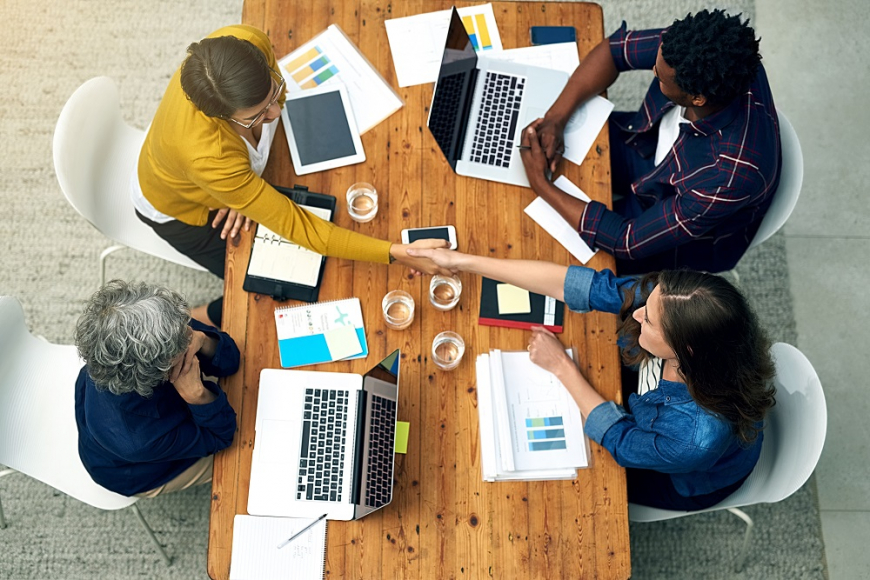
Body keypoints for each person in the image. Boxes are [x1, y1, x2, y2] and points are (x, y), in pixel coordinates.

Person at [407, 246, 776, 510]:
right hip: (662, 408)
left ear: (686, 350)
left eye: (648, 321)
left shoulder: (693, 437)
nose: (636, 313)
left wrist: (561, 367)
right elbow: (581, 286)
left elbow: (620, 438)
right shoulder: (680, 304)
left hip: (681, 476)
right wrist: (461, 261)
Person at [132, 24, 447, 327]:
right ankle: (200, 317)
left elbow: (273, 104)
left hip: (204, 169)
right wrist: (397, 254)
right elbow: (298, 226)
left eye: (273, 95)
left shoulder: (246, 41)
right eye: (257, 115)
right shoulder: (209, 158)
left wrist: (241, 194)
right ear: (222, 116)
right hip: (180, 209)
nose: (275, 114)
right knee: (264, 287)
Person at [521, 9, 781, 274]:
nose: (653, 70)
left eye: (659, 77)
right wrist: (555, 119)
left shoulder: (727, 176)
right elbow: (616, 50)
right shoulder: (712, 48)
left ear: (697, 98)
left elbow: (627, 240)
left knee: (542, 250)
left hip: (671, 211)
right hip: (645, 143)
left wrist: (541, 184)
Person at [74, 280, 239, 498]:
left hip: (134, 419)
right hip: (137, 471)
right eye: (185, 338)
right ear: (164, 370)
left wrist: (202, 340)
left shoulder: (160, 323)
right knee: (245, 455)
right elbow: (222, 436)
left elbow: (232, 360)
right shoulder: (139, 439)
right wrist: (198, 396)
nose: (189, 331)